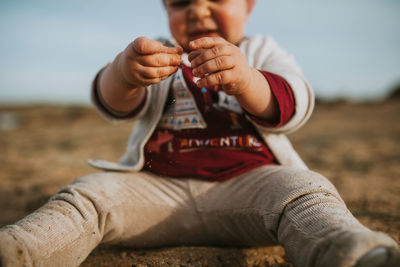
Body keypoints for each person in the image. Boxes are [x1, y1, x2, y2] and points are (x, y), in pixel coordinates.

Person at [0, 0, 399, 266]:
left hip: (254, 187)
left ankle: (347, 250)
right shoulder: (155, 52)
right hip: (157, 189)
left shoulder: (260, 50)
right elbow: (113, 104)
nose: (198, 10)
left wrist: (248, 80)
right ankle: (21, 249)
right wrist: (122, 72)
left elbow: (294, 103)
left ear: (248, 5)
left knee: (306, 190)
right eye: (181, 2)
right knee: (89, 194)